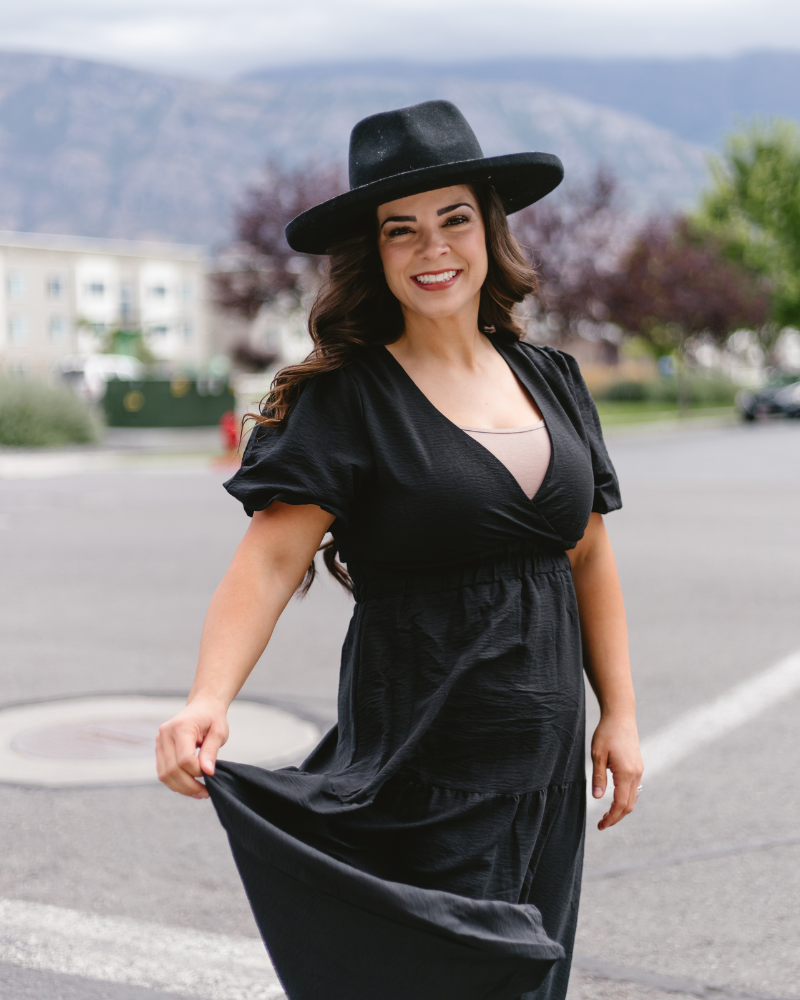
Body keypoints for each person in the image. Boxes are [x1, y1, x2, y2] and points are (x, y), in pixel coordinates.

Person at [156, 100, 644, 1000]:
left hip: (543, 768)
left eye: (454, 219)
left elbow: (586, 552)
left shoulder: (553, 378)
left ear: (489, 230)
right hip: (426, 763)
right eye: (401, 229)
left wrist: (619, 711)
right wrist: (206, 698)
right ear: (374, 252)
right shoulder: (347, 397)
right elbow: (269, 560)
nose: (433, 248)